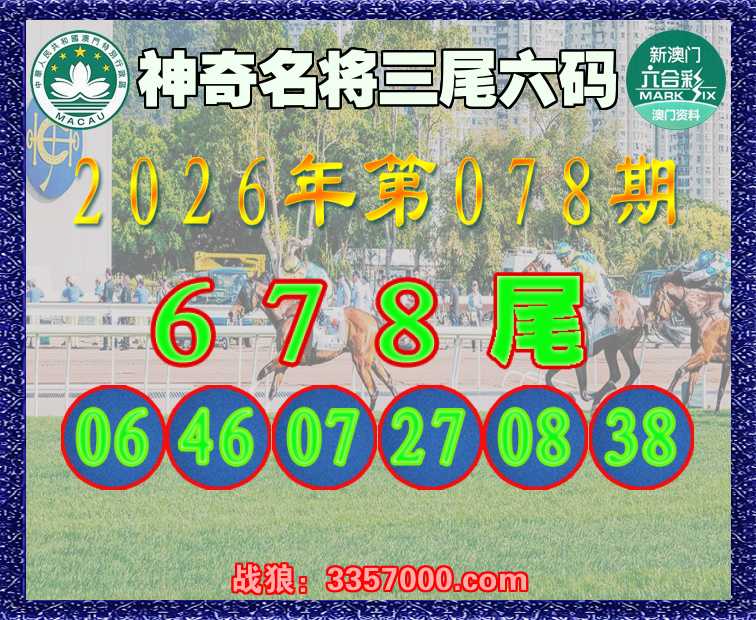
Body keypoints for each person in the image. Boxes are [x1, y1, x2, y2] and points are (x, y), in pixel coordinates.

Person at [555, 241, 612, 318]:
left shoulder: (576, 263)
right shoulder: (579, 256)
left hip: (595, 287)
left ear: (566, 257)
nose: (561, 263)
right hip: (600, 283)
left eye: (561, 260)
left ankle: (592, 311)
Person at [100, 268, 115, 351]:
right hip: (111, 304)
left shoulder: (106, 283)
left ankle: (105, 345)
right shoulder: (113, 283)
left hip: (106, 305)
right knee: (110, 324)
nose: (105, 275)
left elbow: (105, 295)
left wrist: (101, 298)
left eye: (105, 274)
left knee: (105, 325)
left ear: (107, 274)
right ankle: (112, 344)